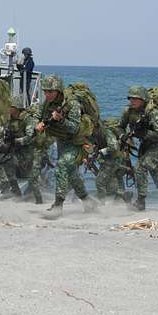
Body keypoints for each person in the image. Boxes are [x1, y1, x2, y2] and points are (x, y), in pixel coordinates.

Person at [28, 74, 99, 219]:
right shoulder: (47, 103)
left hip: (78, 142)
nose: (47, 95)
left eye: (51, 92)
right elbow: (37, 115)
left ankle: (58, 205)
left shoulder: (71, 104)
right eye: (45, 92)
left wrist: (60, 120)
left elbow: (74, 128)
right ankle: (87, 201)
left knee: (61, 166)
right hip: (62, 141)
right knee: (72, 174)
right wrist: (35, 125)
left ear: (58, 91)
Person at [118, 86, 158, 211]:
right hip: (145, 144)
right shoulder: (128, 111)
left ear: (143, 99)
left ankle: (141, 201)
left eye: (136, 99)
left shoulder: (153, 113)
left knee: (140, 168)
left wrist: (142, 133)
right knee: (157, 174)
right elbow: (120, 126)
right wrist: (123, 136)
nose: (132, 101)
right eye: (131, 98)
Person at [90, 118, 130, 204]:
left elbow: (114, 147)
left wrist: (101, 151)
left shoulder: (106, 132)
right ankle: (124, 196)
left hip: (114, 159)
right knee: (106, 182)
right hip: (110, 159)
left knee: (100, 182)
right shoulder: (96, 133)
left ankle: (102, 205)